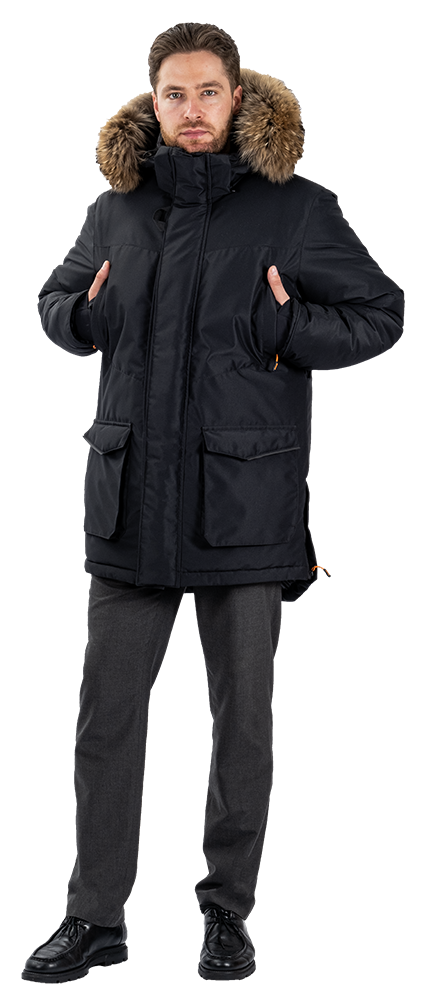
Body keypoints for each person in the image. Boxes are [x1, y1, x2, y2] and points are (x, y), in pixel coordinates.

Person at [23, 23, 404, 984]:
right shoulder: (117, 205)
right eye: (172, 94)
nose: (189, 110)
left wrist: (286, 323)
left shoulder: (295, 207)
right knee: (105, 722)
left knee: (245, 727)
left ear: (238, 99)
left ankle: (225, 912)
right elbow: (55, 305)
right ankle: (94, 918)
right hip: (129, 507)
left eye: (206, 92)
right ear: (151, 105)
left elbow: (379, 316)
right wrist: (87, 314)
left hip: (244, 503)